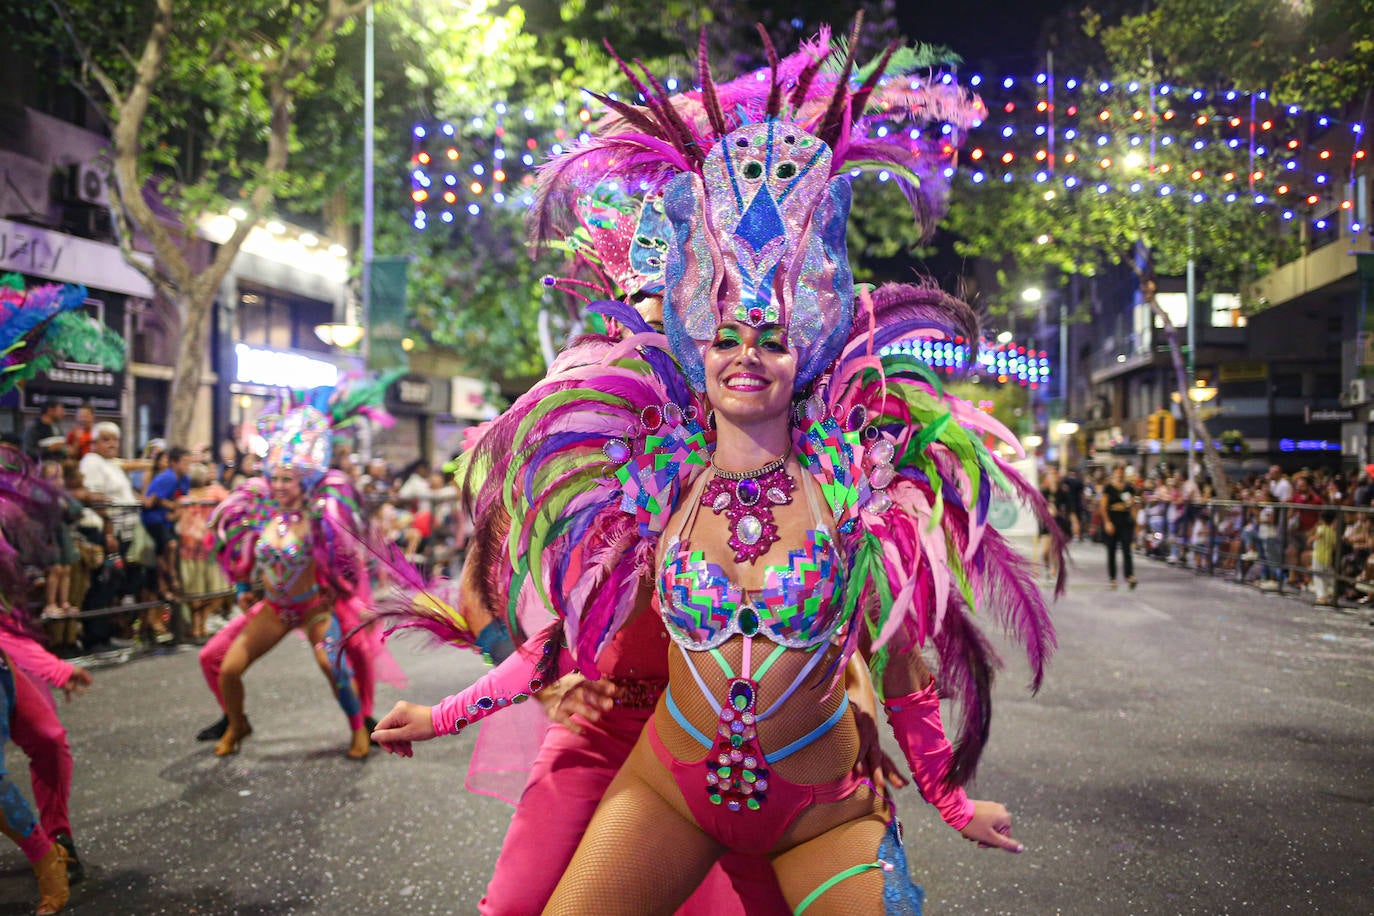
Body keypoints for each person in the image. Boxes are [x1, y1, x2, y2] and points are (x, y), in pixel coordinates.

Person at [372, 29, 1057, 913]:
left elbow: (903, 666)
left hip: (820, 809)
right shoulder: (655, 482)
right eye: (727, 336)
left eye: (771, 339)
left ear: (802, 349)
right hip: (667, 788)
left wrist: (951, 797)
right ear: (698, 346)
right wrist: (443, 714)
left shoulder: (857, 489)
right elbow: (566, 638)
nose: (746, 356)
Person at [198, 388, 403, 758]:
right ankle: (237, 722)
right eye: (274, 479)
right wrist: (243, 585)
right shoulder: (260, 513)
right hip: (275, 609)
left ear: (304, 481)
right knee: (229, 668)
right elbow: (237, 548)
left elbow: (344, 558)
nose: (279, 486)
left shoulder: (320, 516)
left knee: (332, 664)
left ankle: (358, 729)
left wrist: (338, 590)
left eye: (287, 480)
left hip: (314, 609)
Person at [177, 464, 230, 642]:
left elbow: (230, 503)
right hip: (192, 549)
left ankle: (202, 622)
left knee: (215, 591)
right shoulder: (186, 498)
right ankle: (197, 626)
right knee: (196, 592)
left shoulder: (213, 493)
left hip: (207, 549)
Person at [1100, 463, 1137, 589]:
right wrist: (1107, 522)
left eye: (1122, 471)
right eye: (1117, 471)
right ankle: (1113, 578)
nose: (1120, 474)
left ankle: (1129, 575)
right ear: (1114, 473)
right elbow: (1103, 507)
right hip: (1112, 520)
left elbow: (1132, 505)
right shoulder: (1108, 488)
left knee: (1127, 549)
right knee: (1112, 550)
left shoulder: (1129, 488)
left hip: (1125, 521)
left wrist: (1134, 517)